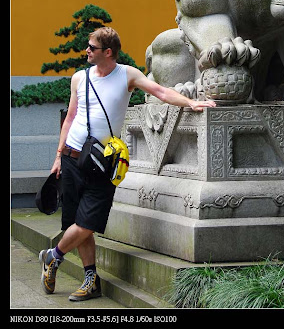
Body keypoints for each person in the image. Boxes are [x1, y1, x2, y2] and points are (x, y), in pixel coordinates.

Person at [39, 27, 215, 301]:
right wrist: (58, 157)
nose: (86, 51)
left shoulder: (127, 75)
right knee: (77, 222)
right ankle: (91, 281)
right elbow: (70, 117)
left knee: (87, 223)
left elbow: (161, 92)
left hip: (102, 162)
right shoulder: (79, 78)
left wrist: (191, 102)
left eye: (92, 47)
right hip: (72, 158)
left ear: (108, 52)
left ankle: (53, 255)